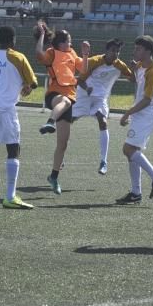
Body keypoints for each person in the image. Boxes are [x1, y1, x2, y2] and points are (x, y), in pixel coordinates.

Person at [0, 26, 38, 210]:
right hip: (6, 108)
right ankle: (10, 196)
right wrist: (26, 88)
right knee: (14, 149)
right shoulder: (18, 57)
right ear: (13, 40)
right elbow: (33, 83)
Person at [35, 21, 88, 194]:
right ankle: (50, 121)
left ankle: (54, 177)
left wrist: (85, 54)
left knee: (63, 144)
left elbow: (84, 69)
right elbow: (38, 54)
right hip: (54, 96)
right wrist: (42, 35)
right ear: (59, 43)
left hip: (69, 97)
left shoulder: (72, 53)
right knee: (64, 101)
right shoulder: (52, 53)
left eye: (70, 41)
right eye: (68, 41)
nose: (70, 44)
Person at [114, 35, 153, 204]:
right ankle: (136, 193)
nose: (135, 51)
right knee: (132, 153)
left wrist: (127, 113)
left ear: (148, 52)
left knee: (128, 149)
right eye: (135, 47)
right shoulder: (140, 66)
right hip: (142, 113)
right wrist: (131, 70)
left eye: (138, 48)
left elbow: (147, 100)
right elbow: (133, 78)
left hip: (148, 114)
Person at [73, 38, 134, 175]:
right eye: (113, 50)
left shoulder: (120, 65)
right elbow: (80, 80)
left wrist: (135, 68)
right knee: (67, 122)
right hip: (84, 96)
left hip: (100, 98)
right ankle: (61, 157)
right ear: (107, 51)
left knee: (103, 120)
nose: (116, 54)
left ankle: (103, 161)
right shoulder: (94, 61)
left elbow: (132, 80)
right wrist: (88, 87)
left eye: (118, 51)